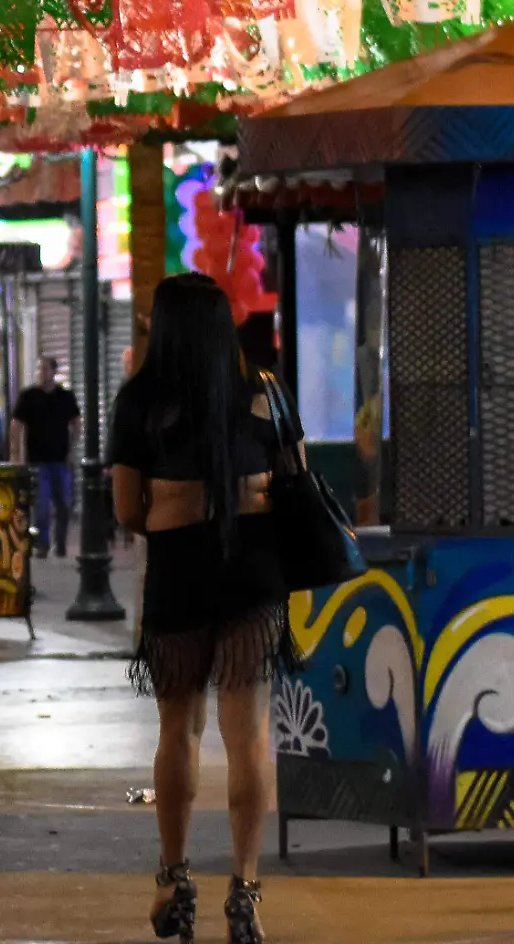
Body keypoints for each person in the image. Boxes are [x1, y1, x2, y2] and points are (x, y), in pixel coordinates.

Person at [109, 273, 304, 944]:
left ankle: (174, 877)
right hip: (253, 573)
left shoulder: (139, 402)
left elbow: (127, 511)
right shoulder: (263, 390)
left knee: (179, 732)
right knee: (247, 734)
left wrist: (178, 505)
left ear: (161, 329)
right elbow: (296, 478)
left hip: (179, 574)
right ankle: (245, 891)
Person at [12, 358, 81, 558]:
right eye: (39, 369)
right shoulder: (29, 396)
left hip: (61, 460)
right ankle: (42, 544)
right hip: (37, 460)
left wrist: (73, 450)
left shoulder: (65, 397)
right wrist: (16, 453)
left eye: (45, 369)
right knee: (40, 505)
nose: (41, 372)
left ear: (53, 371)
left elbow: (76, 423)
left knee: (64, 505)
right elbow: (16, 424)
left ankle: (60, 544)